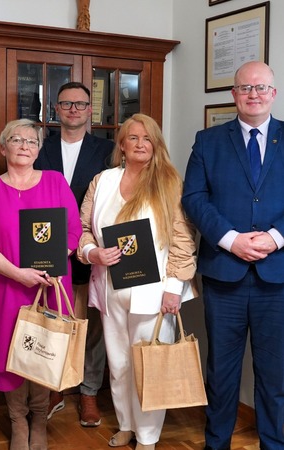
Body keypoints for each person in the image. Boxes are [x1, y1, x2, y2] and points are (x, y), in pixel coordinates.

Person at [78, 113, 197, 449]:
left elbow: (183, 239)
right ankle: (127, 424)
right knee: (119, 364)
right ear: (122, 145)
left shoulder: (169, 182)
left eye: (147, 138)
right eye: (133, 138)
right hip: (110, 287)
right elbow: (83, 229)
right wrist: (91, 253)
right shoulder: (102, 181)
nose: (140, 144)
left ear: (156, 144)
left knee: (149, 366)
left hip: (155, 291)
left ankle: (147, 437)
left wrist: (174, 288)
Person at [182, 61, 284, 450]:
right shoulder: (208, 141)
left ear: (273, 93)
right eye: (245, 88)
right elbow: (194, 198)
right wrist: (230, 239)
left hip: (277, 277)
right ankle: (216, 443)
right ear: (234, 94)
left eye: (261, 88)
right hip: (225, 274)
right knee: (221, 373)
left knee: (275, 374)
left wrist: (275, 237)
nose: (253, 94)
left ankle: (274, 443)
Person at [0, 118, 82, 450]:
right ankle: (18, 420)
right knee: (11, 351)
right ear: (3, 148)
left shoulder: (55, 182)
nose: (24, 146)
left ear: (38, 149)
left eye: (32, 141)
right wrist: (19, 274)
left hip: (50, 285)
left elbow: (73, 231)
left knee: (46, 347)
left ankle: (39, 419)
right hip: (7, 287)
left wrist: (52, 262)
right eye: (17, 140)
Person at [34, 81, 113, 427]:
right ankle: (55, 386)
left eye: (80, 104)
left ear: (89, 110)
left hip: (91, 245)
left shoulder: (108, 149)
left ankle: (89, 391)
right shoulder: (40, 147)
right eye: (66, 104)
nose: (73, 110)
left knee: (91, 325)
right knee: (53, 318)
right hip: (46, 244)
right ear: (56, 109)